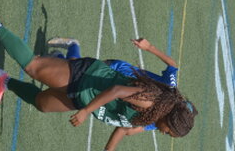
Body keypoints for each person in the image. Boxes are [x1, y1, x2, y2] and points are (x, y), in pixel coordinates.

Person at [0, 11, 197, 151]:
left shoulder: (152, 117)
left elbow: (124, 127)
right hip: (88, 78)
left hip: (85, 97)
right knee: (34, 67)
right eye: (169, 132)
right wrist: (87, 111)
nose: (164, 134)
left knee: (42, 103)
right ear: (171, 120)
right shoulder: (150, 101)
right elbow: (117, 90)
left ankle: (4, 80)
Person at [48, 36, 180, 132]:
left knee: (73, 83)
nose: (165, 132)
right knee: (75, 76)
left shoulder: (159, 116)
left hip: (112, 96)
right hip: (116, 71)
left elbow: (132, 128)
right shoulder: (170, 88)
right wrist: (149, 47)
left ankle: (60, 57)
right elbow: (173, 65)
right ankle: (70, 49)